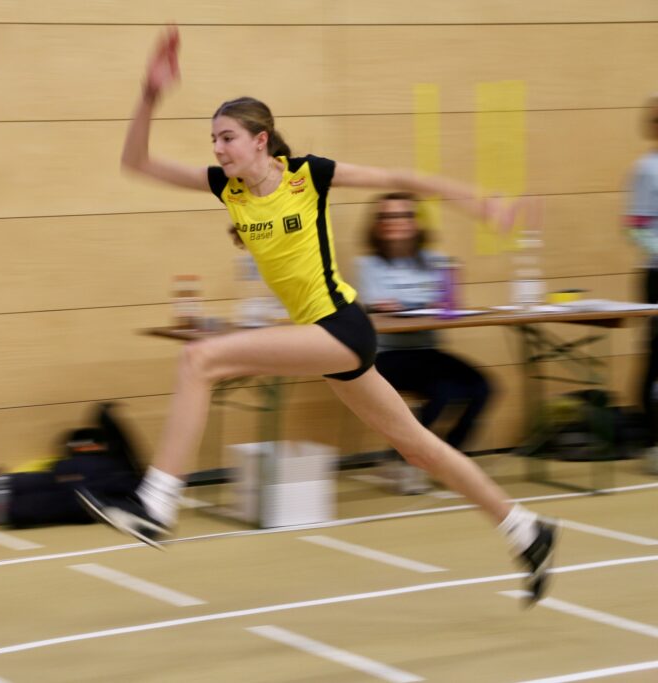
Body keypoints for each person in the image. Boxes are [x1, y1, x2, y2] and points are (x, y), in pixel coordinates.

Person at [77, 27, 557, 605]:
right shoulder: (228, 190)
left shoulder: (307, 176)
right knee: (417, 447)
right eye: (213, 140)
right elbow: (135, 161)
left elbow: (400, 180)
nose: (218, 150)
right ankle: (525, 529)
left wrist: (482, 204)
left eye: (227, 138)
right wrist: (150, 93)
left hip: (342, 326)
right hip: (324, 338)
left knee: (199, 359)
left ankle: (156, 503)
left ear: (260, 140)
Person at [357, 192, 493, 453]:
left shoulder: (434, 261)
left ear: (416, 222)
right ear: (377, 224)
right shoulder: (369, 265)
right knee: (446, 391)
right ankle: (405, 454)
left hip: (427, 352)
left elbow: (446, 302)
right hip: (388, 356)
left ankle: (450, 453)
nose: (395, 222)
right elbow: (379, 306)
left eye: (403, 215)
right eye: (387, 216)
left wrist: (410, 303)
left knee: (483, 387)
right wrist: (424, 302)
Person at [624, 93, 658, 461]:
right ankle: (653, 439)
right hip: (657, 272)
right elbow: (635, 225)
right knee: (656, 357)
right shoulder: (647, 169)